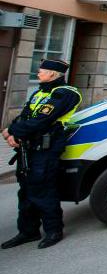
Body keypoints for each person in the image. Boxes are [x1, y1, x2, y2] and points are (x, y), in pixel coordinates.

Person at [2, 59, 82, 249]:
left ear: (53, 74)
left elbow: (43, 120)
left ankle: (54, 230)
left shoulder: (66, 93)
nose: (38, 74)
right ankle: (28, 231)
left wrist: (15, 133)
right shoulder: (40, 93)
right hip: (28, 147)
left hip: (46, 149)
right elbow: (25, 116)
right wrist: (11, 131)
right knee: (26, 191)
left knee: (44, 190)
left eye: (41, 71)